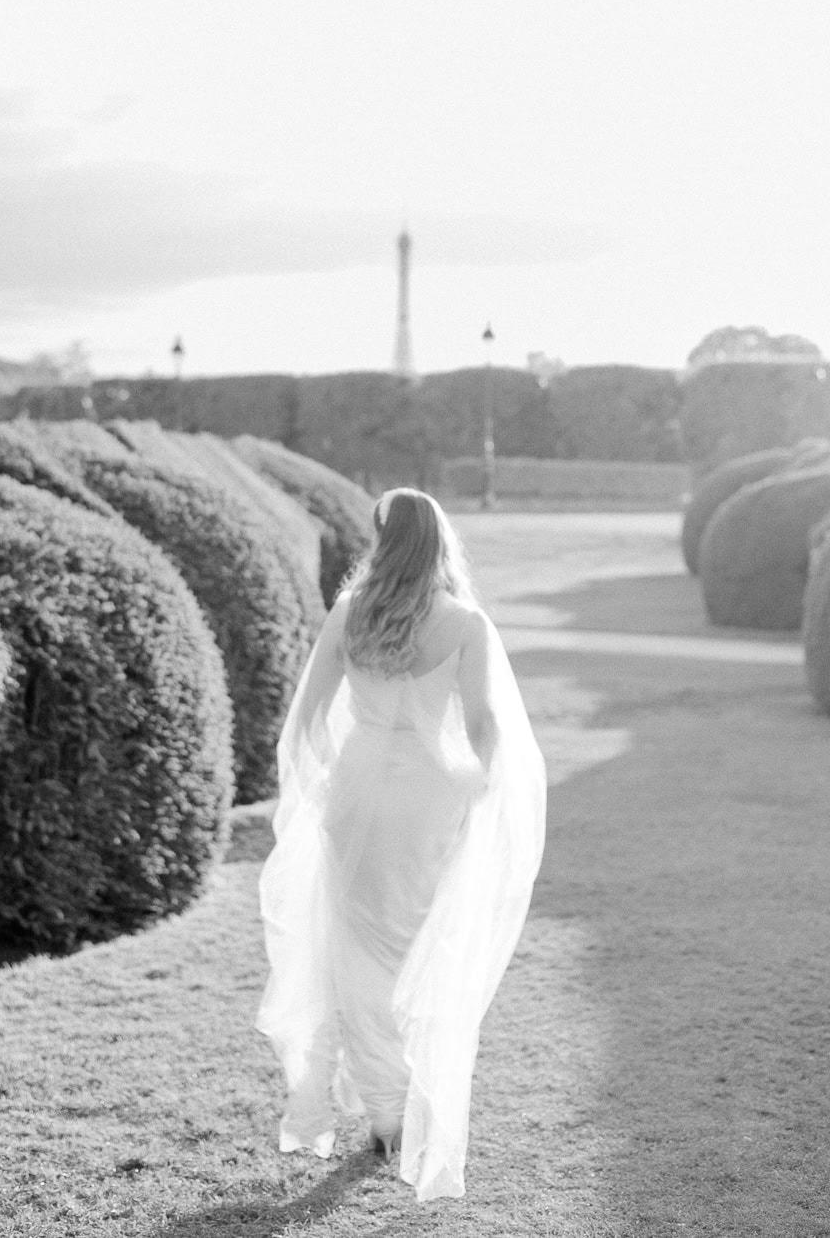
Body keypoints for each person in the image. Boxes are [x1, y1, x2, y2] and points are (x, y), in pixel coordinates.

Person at [257, 487, 547, 1201]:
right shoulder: (464, 623)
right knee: (417, 939)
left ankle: (387, 1113)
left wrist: (323, 783)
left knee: (357, 947)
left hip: (356, 795)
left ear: (384, 541)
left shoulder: (351, 611)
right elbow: (484, 723)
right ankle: (405, 1099)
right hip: (428, 794)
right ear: (440, 541)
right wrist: (478, 785)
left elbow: (307, 716)